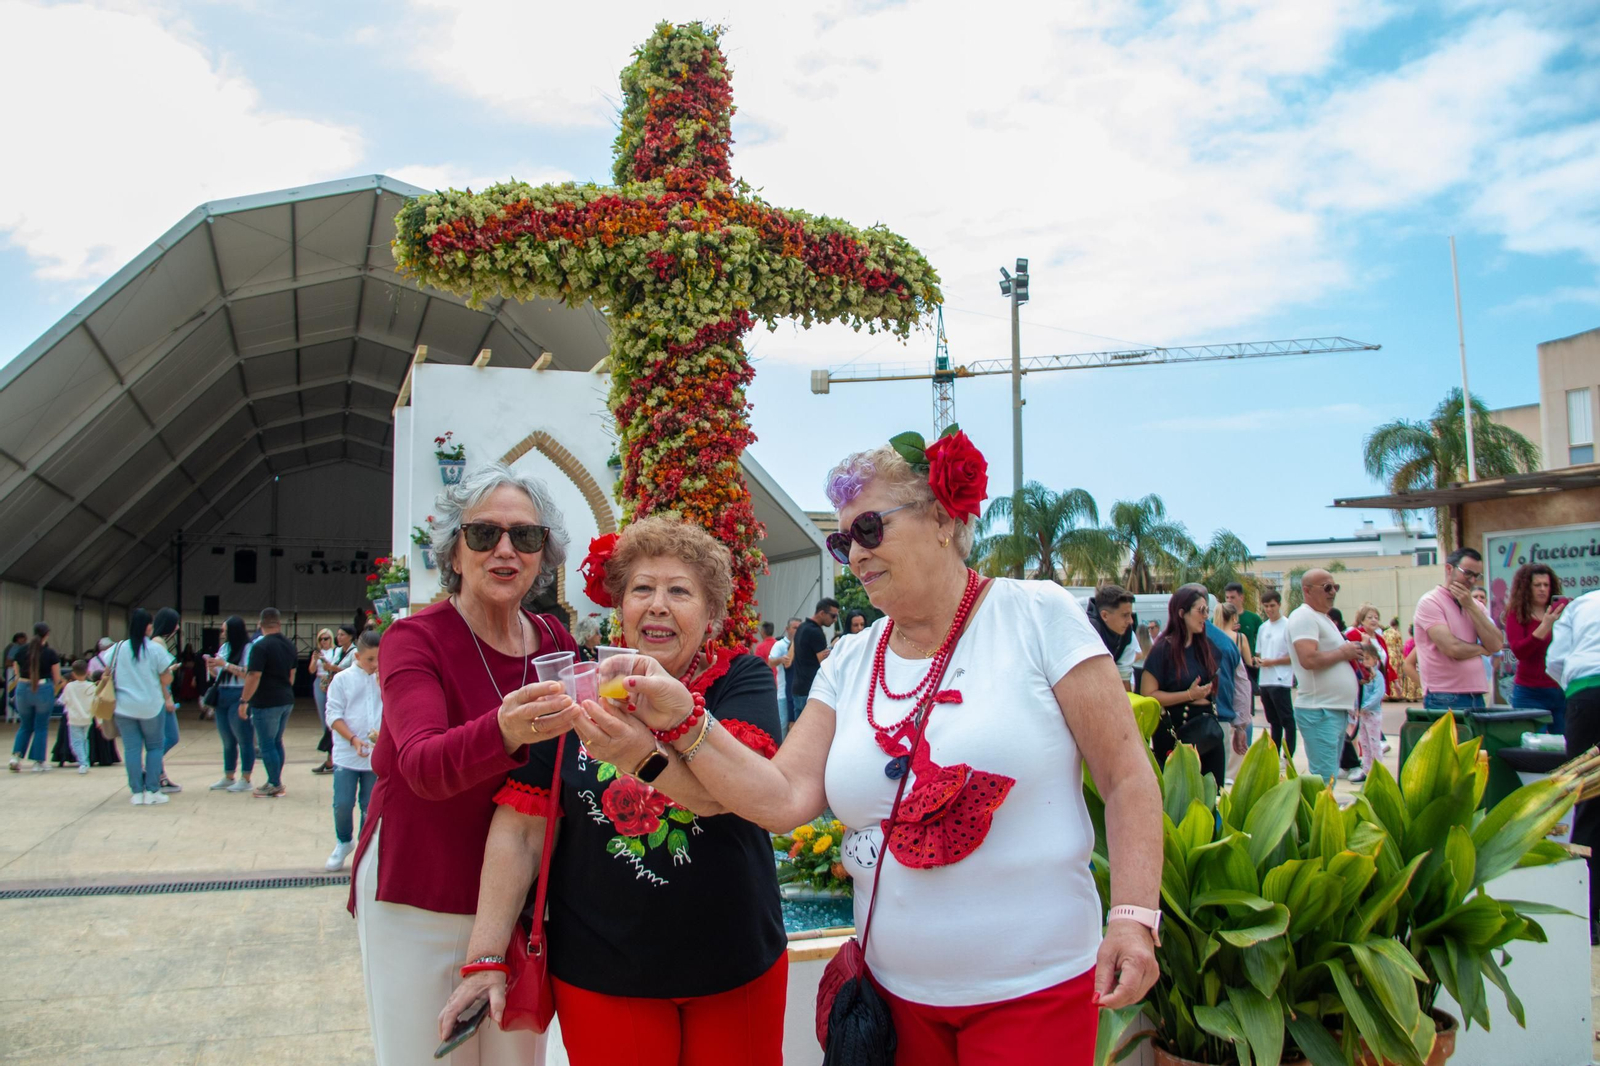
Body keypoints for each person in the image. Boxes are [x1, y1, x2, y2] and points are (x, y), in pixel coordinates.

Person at [594, 434, 1162, 1062]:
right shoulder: (848, 661)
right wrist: (675, 725)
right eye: (842, 542)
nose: (854, 554)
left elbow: (1126, 776)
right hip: (893, 1000)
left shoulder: (1036, 614)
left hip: (1034, 990)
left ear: (944, 519)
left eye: (869, 528)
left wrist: (1134, 916)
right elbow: (781, 799)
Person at [441, 515, 787, 1065]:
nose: (657, 604)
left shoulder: (739, 681)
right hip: (603, 971)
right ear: (619, 608)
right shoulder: (574, 690)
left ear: (713, 616)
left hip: (736, 961)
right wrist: (484, 956)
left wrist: (637, 756)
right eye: (641, 589)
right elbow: (523, 829)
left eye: (680, 591)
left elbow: (732, 797)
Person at [350, 462, 579, 1066]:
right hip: (422, 890)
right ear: (454, 552)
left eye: (525, 537)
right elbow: (422, 765)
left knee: (516, 1059)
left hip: (519, 903)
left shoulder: (556, 642)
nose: (505, 550)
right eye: (483, 535)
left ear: (542, 555)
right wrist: (504, 728)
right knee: (426, 1054)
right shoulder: (415, 639)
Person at [1548, 590, 1600, 942]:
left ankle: (1587, 918)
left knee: (1589, 806)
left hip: (1585, 697)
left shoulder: (1582, 603)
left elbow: (1555, 662)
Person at [1287, 569, 1363, 785]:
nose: (1333, 592)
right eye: (1327, 587)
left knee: (1328, 778)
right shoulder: (1303, 616)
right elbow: (1308, 659)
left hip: (1331, 710)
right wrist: (1344, 652)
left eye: (1335, 587)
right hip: (1319, 710)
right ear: (1307, 590)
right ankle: (1318, 818)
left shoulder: (1322, 618)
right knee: (1323, 781)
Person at [1143, 587, 1225, 787]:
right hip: (1177, 731)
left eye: (1207, 611)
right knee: (1181, 796)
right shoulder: (1163, 650)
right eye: (1200, 610)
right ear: (1182, 613)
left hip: (1208, 730)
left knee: (1214, 792)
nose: (1205, 616)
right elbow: (1148, 694)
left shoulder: (1206, 647)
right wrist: (1188, 695)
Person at [1411, 547, 1501, 712]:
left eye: (1477, 576)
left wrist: (1470, 606)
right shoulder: (1430, 602)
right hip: (1445, 695)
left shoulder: (1475, 606)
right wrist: (1481, 649)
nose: (1472, 580)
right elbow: (1452, 647)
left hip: (1476, 694)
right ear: (1449, 569)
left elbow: (1496, 645)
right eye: (1467, 573)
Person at [325, 628, 384, 871]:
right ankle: (343, 840)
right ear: (357, 657)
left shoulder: (385, 679)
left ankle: (364, 847)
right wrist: (353, 739)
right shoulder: (342, 680)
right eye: (370, 659)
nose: (375, 664)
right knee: (342, 802)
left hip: (375, 755)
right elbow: (334, 715)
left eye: (379, 659)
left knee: (370, 805)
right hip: (347, 754)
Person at [106, 609, 177, 804]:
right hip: (151, 706)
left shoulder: (118, 648)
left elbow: (105, 669)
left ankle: (136, 792)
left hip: (123, 707)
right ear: (147, 627)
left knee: (131, 750)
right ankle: (153, 790)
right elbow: (166, 677)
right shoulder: (155, 649)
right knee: (154, 747)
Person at [239, 607, 298, 799]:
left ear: (260, 624)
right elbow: (292, 675)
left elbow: (254, 675)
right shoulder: (290, 645)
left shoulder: (260, 647)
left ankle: (274, 783)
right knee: (276, 741)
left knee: (266, 744)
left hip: (266, 702)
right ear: (279, 623)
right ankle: (276, 780)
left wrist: (244, 700)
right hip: (285, 698)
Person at [1504, 563, 1568, 733]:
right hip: (1530, 692)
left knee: (1566, 746)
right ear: (1526, 587)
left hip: (1560, 690)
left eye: (1546, 585)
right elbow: (1519, 651)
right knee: (1535, 747)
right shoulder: (1517, 614)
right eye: (1537, 585)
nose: (1542, 589)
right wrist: (1545, 626)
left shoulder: (1561, 613)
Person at [205, 615, 256, 792]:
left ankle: (246, 777)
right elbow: (218, 674)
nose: (222, 633)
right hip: (222, 693)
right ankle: (229, 775)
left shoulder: (249, 648)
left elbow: (248, 673)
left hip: (239, 693)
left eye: (225, 630)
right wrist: (212, 667)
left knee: (243, 737)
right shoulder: (225, 647)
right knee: (227, 738)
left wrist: (224, 664)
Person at [7, 622, 62, 773]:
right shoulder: (50, 653)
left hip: (23, 689)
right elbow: (57, 678)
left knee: (25, 725)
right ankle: (38, 762)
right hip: (43, 689)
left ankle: (16, 757)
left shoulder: (21, 651)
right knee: (41, 727)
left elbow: (17, 673)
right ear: (47, 635)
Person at [1255, 590, 1296, 761]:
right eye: (1266, 606)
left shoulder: (1288, 626)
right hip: (1265, 680)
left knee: (1287, 720)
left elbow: (1293, 656)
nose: (1270, 610)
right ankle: (1275, 755)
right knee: (1273, 722)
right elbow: (1258, 652)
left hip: (1281, 680)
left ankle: (1289, 756)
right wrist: (1257, 660)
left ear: (1279, 604)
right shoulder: (1263, 627)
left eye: (1272, 606)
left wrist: (1273, 662)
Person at [788, 597, 838, 718]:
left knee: (799, 732)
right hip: (811, 690)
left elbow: (792, 654)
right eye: (833, 616)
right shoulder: (815, 632)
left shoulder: (801, 627)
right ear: (822, 613)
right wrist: (833, 649)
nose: (835, 620)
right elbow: (824, 663)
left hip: (797, 689)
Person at [151, 608, 184, 792]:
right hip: (162, 695)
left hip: (160, 694)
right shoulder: (158, 643)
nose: (178, 627)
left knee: (162, 737)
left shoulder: (157, 642)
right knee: (171, 736)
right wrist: (168, 697)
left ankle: (159, 774)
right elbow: (158, 674)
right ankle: (151, 765)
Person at [1089, 584, 1142, 691]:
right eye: (1125, 615)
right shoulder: (1088, 631)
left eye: (1131, 615)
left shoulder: (1126, 632)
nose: (1131, 621)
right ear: (1105, 616)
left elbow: (1124, 674)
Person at [1349, 644, 1386, 783]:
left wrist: (1364, 706)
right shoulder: (1365, 676)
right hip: (1363, 714)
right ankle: (1367, 769)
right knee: (1364, 743)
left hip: (1372, 714)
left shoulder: (1378, 677)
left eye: (1367, 659)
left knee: (1374, 742)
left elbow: (1378, 694)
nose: (1364, 662)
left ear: (1375, 659)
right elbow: (1359, 693)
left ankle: (1378, 771)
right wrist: (1355, 708)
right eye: (1362, 659)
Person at [1224, 582, 1262, 714]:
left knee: (1245, 708)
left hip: (1246, 667)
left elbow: (1261, 640)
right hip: (1225, 668)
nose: (1229, 600)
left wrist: (1257, 657)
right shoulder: (1219, 619)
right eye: (1227, 597)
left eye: (1232, 597)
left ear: (1241, 598)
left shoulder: (1253, 618)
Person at [60, 659, 96, 774]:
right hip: (88, 717)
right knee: (85, 739)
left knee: (76, 742)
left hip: (74, 718)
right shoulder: (92, 686)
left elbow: (64, 700)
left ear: (73, 673)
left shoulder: (69, 686)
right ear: (87, 672)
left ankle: (83, 762)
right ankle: (86, 760)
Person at [769, 617, 800, 718]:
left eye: (799, 628)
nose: (797, 631)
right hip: (783, 693)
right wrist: (781, 659)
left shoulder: (802, 644)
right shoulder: (780, 645)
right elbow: (770, 663)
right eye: (795, 628)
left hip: (798, 693)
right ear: (787, 629)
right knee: (783, 725)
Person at [5, 631, 26, 724]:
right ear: (18, 639)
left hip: (14, 676)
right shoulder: (15, 647)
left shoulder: (16, 647)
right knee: (11, 695)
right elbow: (8, 661)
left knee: (9, 695)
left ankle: (11, 714)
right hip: (14, 676)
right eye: (23, 638)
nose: (25, 640)